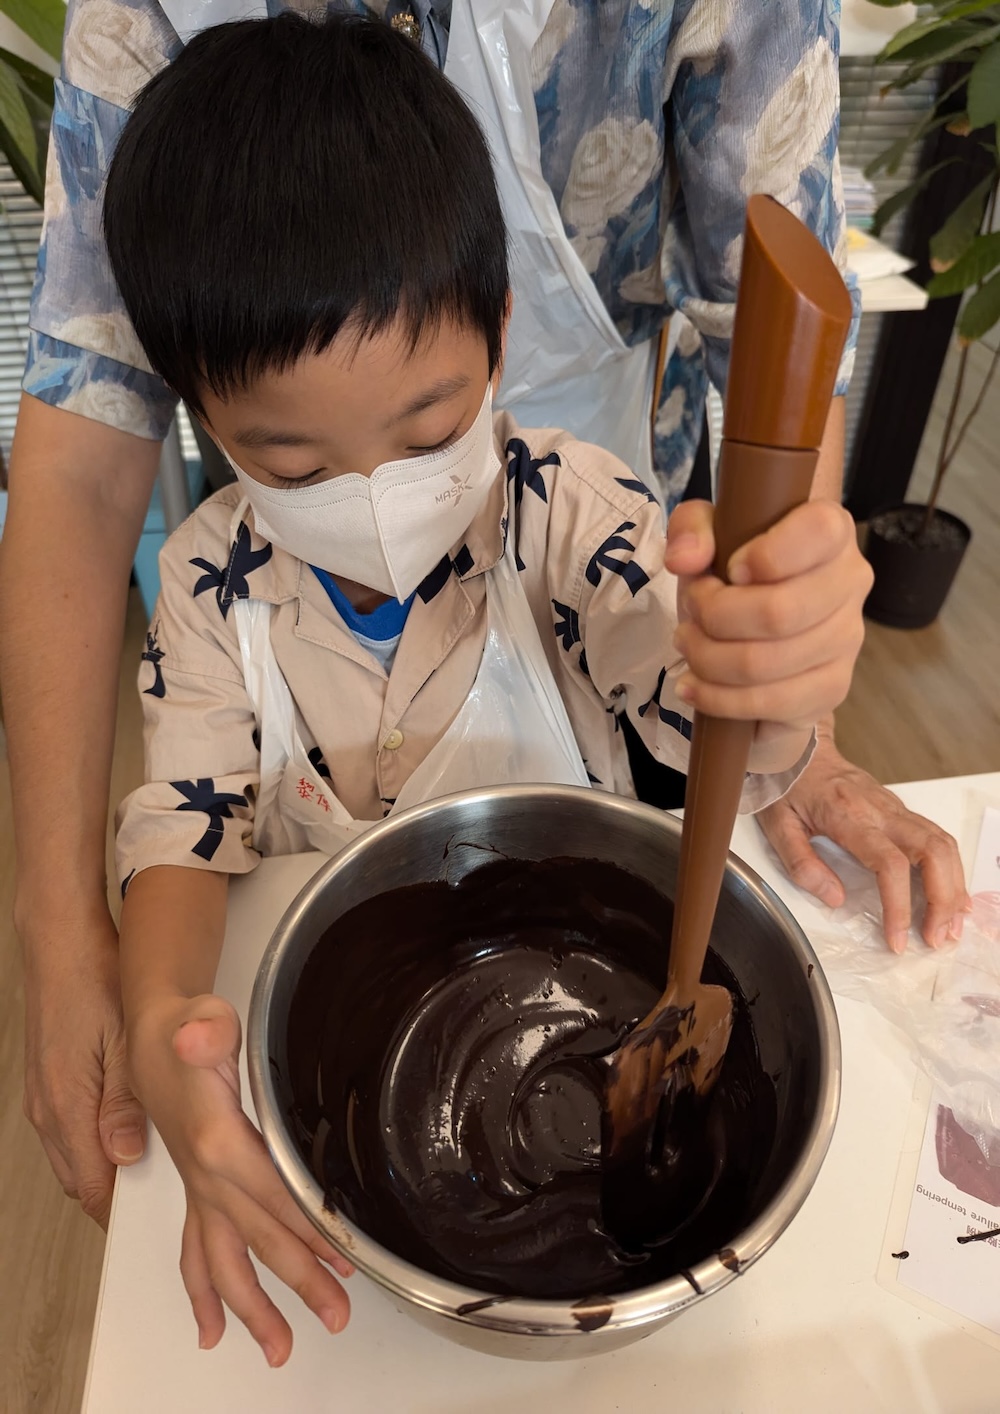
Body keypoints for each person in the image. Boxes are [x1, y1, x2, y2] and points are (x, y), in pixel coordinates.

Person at [0, 0, 967, 1238]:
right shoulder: (209, 588)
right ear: (193, 409)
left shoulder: (572, 511)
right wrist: (160, 1009)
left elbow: (692, 715)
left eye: (427, 426)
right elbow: (183, 838)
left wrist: (770, 671)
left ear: (497, 339)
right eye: (289, 467)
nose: (376, 498)